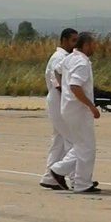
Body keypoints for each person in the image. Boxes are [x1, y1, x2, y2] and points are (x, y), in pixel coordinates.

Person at [49, 32, 101, 193]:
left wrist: (64, 90)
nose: (94, 47)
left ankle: (63, 172)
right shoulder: (81, 62)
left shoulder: (69, 58)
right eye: (93, 44)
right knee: (87, 147)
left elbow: (57, 71)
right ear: (85, 45)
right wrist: (91, 106)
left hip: (69, 108)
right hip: (78, 110)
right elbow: (75, 86)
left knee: (80, 145)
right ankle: (79, 182)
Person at [39, 28, 78, 190]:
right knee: (73, 141)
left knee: (59, 142)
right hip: (59, 102)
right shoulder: (59, 58)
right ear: (64, 40)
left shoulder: (65, 57)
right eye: (73, 40)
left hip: (58, 102)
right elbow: (59, 84)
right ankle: (77, 179)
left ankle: (50, 177)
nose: (76, 44)